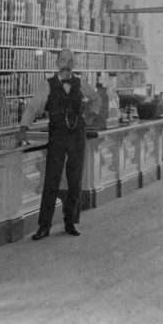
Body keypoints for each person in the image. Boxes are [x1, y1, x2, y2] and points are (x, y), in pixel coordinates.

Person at [16, 48, 101, 239]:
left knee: (75, 179)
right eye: (63, 60)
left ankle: (70, 222)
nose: (66, 65)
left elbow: (97, 99)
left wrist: (90, 117)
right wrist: (23, 128)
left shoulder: (80, 83)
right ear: (56, 63)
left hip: (77, 135)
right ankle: (44, 226)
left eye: (70, 61)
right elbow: (32, 107)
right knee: (51, 180)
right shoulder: (47, 85)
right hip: (58, 135)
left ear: (74, 65)